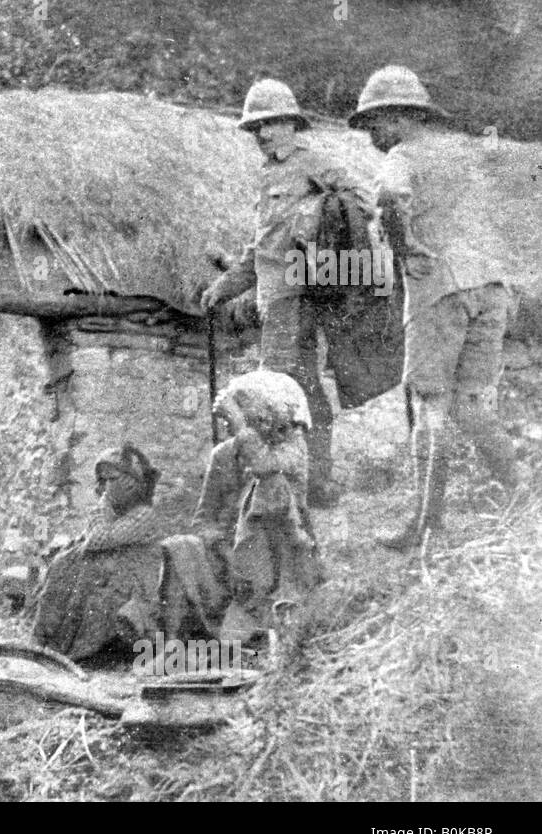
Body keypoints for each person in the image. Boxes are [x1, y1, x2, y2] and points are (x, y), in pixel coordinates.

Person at [348, 66, 522, 550]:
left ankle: (426, 525)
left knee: (430, 405)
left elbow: (388, 195)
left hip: (440, 288)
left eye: (374, 125)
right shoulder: (465, 154)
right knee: (469, 404)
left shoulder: (404, 155)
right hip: (491, 287)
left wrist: (403, 249)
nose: (371, 138)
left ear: (399, 117)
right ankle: (523, 489)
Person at [201, 79, 367, 509]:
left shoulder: (314, 163)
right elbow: (262, 251)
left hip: (299, 296)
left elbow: (360, 203)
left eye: (271, 124)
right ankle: (315, 483)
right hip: (274, 298)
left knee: (271, 391)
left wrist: (318, 223)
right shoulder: (268, 176)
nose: (263, 134)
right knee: (305, 389)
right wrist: (224, 286)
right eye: (256, 127)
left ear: (291, 124)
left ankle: (281, 488)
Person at [123, 371, 323, 653]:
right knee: (178, 547)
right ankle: (169, 646)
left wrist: (241, 425)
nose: (229, 427)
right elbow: (202, 519)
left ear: (258, 420)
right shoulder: (223, 455)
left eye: (233, 420)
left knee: (271, 492)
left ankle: (258, 632)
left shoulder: (291, 449)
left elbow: (264, 467)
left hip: (279, 560)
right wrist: (219, 545)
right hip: (227, 557)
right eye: (229, 420)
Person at [24, 444, 165, 662]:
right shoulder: (108, 511)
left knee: (92, 582)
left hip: (134, 589)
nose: (106, 487)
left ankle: (72, 650)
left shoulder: (145, 516)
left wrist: (105, 503)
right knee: (65, 565)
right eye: (103, 480)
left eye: (113, 479)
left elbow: (99, 538)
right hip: (109, 577)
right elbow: (93, 538)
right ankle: (44, 642)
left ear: (131, 483)